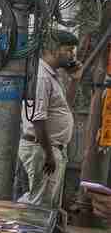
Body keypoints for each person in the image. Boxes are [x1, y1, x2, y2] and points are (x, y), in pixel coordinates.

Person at [18, 29, 80, 208]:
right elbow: (38, 118)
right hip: (42, 148)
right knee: (40, 207)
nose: (72, 55)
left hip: (50, 148)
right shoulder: (42, 76)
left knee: (47, 205)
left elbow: (65, 106)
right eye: (68, 50)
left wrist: (75, 79)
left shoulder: (52, 75)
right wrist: (48, 154)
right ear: (53, 49)